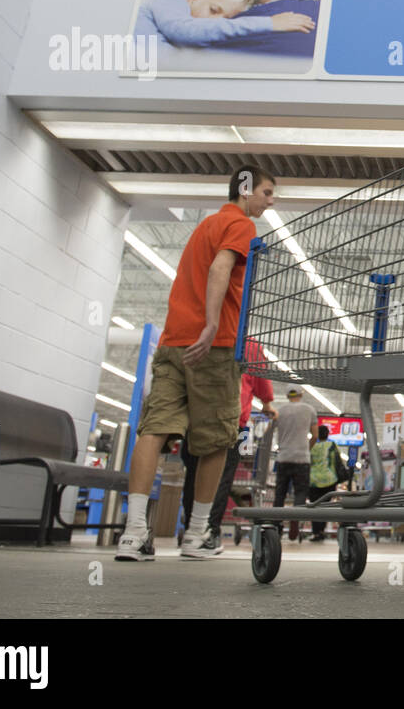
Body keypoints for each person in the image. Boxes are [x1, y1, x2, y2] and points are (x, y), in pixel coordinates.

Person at [116, 164, 277, 561]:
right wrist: (210, 326)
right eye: (268, 192)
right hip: (214, 345)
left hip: (173, 342)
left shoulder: (203, 227)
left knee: (153, 431)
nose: (271, 201)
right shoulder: (240, 225)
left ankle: (135, 533)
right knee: (216, 441)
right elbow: (221, 268)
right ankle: (197, 534)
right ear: (245, 189)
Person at [179, 338, 277, 550]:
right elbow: (261, 381)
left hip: (197, 415)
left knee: (194, 474)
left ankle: (191, 528)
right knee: (220, 478)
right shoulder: (249, 345)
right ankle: (208, 531)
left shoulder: (202, 336)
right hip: (231, 419)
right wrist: (268, 402)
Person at [134, 0, 315, 47]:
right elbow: (184, 31)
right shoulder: (168, 1)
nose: (216, 22)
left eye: (226, 19)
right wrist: (270, 23)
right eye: (213, 10)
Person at [271, 386, 319, 541]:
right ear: (301, 394)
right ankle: (295, 520)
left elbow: (269, 430)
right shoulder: (309, 409)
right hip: (302, 459)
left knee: (280, 494)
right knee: (300, 493)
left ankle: (276, 524)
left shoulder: (280, 411)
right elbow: (315, 435)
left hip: (283, 457)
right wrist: (307, 448)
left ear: (287, 395)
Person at [308, 425, 348, 542]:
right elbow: (337, 461)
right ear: (327, 434)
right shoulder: (332, 445)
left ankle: (316, 532)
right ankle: (321, 530)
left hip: (313, 481)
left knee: (314, 506)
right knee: (325, 506)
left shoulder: (311, 445)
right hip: (329, 480)